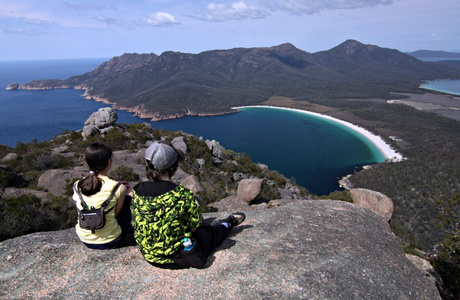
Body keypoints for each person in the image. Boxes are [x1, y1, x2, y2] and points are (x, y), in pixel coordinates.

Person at [131, 140, 245, 269]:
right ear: (173, 168)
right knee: (208, 232)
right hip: (175, 258)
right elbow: (193, 229)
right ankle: (227, 224)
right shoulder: (182, 195)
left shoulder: (138, 190)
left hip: (149, 254)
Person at [73, 142, 132, 250]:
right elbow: (116, 213)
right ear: (109, 162)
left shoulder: (77, 185)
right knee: (129, 197)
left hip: (85, 240)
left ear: (88, 163)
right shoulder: (117, 187)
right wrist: (126, 191)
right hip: (111, 241)